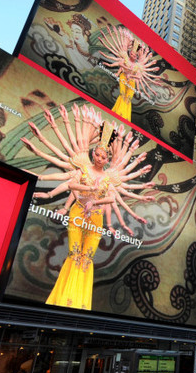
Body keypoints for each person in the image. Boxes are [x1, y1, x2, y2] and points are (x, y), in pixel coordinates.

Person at [21, 104, 155, 310]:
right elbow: (70, 183)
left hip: (96, 218)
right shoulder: (82, 167)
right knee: (74, 254)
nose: (100, 158)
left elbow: (112, 200)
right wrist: (71, 194)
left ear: (108, 159)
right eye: (98, 154)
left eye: (104, 157)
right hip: (78, 213)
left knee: (87, 258)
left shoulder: (110, 177)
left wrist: (96, 201)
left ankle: (81, 302)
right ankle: (64, 299)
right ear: (94, 154)